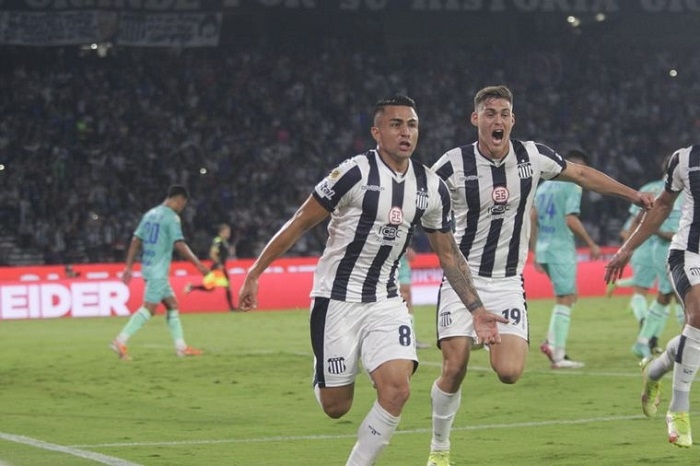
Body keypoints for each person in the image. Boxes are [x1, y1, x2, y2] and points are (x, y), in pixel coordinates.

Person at [238, 94, 505, 466]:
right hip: (336, 298)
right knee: (336, 406)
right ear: (377, 132)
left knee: (397, 390)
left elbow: (448, 254)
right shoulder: (353, 173)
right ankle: (325, 370)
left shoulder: (430, 187)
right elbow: (300, 222)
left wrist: (476, 309)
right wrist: (255, 272)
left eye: (412, 125)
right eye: (396, 124)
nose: (406, 132)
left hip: (386, 300)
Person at [426, 84, 654, 466]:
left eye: (504, 114)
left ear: (512, 119)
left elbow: (581, 173)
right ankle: (439, 447)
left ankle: (481, 338)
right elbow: (420, 199)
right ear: (475, 118)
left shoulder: (533, 156)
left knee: (510, 372)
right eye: (490, 113)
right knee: (454, 366)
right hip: (463, 279)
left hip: (507, 283)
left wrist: (633, 195)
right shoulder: (452, 165)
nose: (497, 120)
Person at [605, 145, 700, 449]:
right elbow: (661, 206)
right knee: (698, 315)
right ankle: (678, 410)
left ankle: (654, 370)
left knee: (694, 335)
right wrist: (627, 249)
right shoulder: (684, 159)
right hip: (688, 253)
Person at [110, 185, 210, 361]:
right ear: (178, 199)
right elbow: (179, 244)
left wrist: (128, 266)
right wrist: (199, 265)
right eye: (182, 204)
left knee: (172, 305)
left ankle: (181, 347)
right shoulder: (172, 218)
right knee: (149, 309)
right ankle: (120, 340)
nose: (181, 208)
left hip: (149, 267)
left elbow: (136, 240)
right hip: (158, 271)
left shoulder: (149, 214)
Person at [530, 149, 601, 369]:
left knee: (568, 296)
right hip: (560, 249)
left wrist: (535, 250)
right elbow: (570, 219)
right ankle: (557, 353)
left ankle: (551, 343)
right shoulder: (572, 185)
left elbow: (532, 217)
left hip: (545, 248)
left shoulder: (544, 186)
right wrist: (591, 243)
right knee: (566, 298)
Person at [184, 223, 237, 311]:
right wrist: (219, 264)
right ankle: (232, 308)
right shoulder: (217, 241)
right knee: (215, 287)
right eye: (227, 232)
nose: (229, 234)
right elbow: (212, 254)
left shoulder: (224, 242)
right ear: (221, 232)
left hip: (221, 267)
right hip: (217, 267)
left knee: (214, 287)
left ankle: (192, 287)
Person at [398, 246, 431, 349]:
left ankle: (408, 337)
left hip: (398, 276)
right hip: (402, 276)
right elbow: (412, 257)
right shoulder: (401, 244)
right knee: (407, 307)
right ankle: (410, 337)